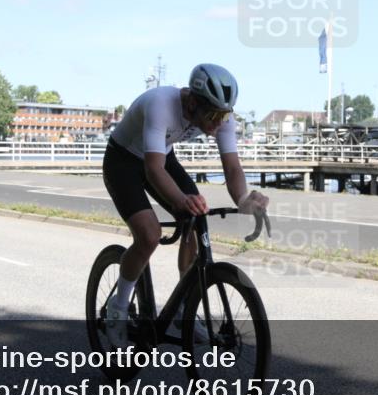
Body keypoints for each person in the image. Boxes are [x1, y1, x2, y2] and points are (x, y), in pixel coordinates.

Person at [101, 64, 269, 348]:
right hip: (124, 162)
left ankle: (183, 306)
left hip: (161, 157)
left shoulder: (221, 117)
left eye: (223, 116)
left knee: (196, 217)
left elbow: (232, 168)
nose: (218, 124)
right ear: (192, 102)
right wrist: (180, 200)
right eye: (213, 116)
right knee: (149, 235)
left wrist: (242, 200)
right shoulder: (160, 105)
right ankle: (117, 309)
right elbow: (154, 170)